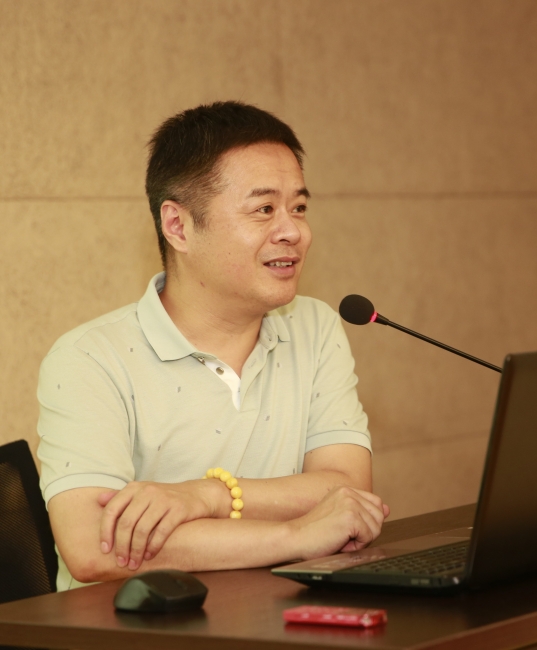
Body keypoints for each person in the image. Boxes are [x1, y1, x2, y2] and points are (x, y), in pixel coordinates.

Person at [37, 101, 389, 591]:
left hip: (273, 615)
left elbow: (347, 489)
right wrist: (296, 534)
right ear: (178, 226)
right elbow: (94, 546)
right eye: (264, 209)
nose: (294, 232)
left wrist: (211, 496)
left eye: (298, 208)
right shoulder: (89, 358)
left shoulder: (314, 326)